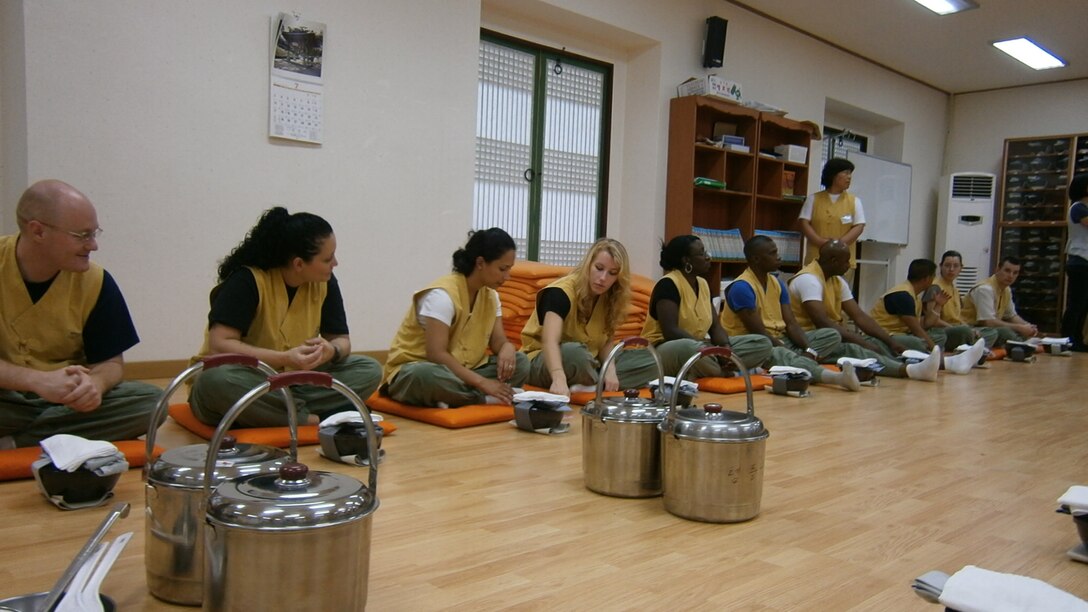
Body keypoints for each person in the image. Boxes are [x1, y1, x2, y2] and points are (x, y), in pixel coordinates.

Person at [0, 180, 160, 448]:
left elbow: (111, 363)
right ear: (37, 231)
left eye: (94, 233)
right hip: (7, 398)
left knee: (151, 402)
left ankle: (16, 442)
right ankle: (55, 436)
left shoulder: (96, 281)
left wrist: (95, 385)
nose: (93, 245)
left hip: (67, 402)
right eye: (82, 236)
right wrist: (38, 381)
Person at [189, 207, 382, 428]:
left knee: (369, 369)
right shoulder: (248, 280)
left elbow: (341, 339)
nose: (335, 263)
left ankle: (274, 412)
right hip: (246, 380)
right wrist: (285, 358)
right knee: (215, 382)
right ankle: (315, 419)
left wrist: (332, 350)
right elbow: (219, 345)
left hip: (290, 384)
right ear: (299, 264)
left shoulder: (325, 282)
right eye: (328, 258)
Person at [382, 228, 529, 407]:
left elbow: (498, 341)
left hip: (465, 371)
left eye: (509, 269)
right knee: (423, 376)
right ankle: (481, 398)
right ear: (480, 262)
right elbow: (436, 354)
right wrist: (483, 383)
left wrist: (507, 348)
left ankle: (453, 397)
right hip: (425, 369)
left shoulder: (491, 296)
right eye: (502, 269)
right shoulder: (441, 296)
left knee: (521, 363)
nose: (507, 276)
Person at [788, 240, 942, 382]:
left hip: (835, 333)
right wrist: (862, 342)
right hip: (814, 338)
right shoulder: (809, 280)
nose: (850, 264)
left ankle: (943, 363)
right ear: (833, 261)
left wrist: (890, 342)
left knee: (878, 342)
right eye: (846, 261)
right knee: (857, 349)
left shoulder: (837, 281)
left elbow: (859, 316)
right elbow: (822, 323)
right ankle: (909, 370)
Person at [720, 235, 859, 391]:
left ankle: (798, 360)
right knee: (778, 352)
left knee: (830, 335)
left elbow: (792, 324)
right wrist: (788, 350)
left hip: (781, 338)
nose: (778, 256)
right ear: (756, 259)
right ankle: (835, 377)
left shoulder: (777, 283)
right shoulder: (742, 287)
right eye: (772, 253)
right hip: (755, 343)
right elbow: (759, 333)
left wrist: (809, 350)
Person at [634, 235, 773, 382]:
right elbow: (670, 331)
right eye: (701, 254)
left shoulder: (703, 284)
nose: (708, 257)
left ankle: (705, 369)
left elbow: (715, 327)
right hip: (667, 348)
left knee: (761, 343)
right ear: (686, 260)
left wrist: (724, 349)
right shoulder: (668, 284)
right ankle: (724, 373)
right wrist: (708, 351)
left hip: (701, 347)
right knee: (689, 349)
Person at [520, 238, 638, 397]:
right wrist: (558, 377)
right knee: (576, 354)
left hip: (590, 361)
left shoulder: (610, 297)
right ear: (588, 265)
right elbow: (549, 341)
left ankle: (591, 382)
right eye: (599, 268)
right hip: (547, 360)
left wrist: (610, 369)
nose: (603, 278)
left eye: (612, 273)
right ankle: (592, 381)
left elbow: (606, 340)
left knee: (647, 359)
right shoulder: (559, 293)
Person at [868, 258, 985, 373]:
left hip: (904, 334)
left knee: (939, 335)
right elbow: (917, 330)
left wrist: (938, 305)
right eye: (933, 276)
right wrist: (935, 349)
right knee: (917, 342)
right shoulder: (902, 295)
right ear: (927, 279)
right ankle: (949, 360)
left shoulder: (914, 295)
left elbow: (927, 324)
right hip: (885, 336)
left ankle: (951, 356)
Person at [798, 158, 865, 276]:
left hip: (843, 261)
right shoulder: (813, 199)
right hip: (816, 259)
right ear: (833, 174)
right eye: (846, 173)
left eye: (850, 173)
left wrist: (838, 245)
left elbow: (859, 226)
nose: (849, 177)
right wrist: (821, 242)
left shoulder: (854, 201)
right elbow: (804, 223)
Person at [921, 250, 1000, 348]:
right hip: (942, 330)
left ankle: (973, 348)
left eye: (955, 266)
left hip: (957, 327)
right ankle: (973, 348)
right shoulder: (935, 287)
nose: (951, 269)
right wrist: (958, 328)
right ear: (941, 266)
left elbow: (958, 317)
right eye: (947, 265)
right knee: (964, 331)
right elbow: (932, 320)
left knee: (991, 332)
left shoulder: (955, 289)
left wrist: (969, 328)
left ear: (961, 268)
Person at [961, 255, 1038, 346]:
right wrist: (1019, 327)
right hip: (971, 327)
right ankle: (1022, 345)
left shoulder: (1006, 290)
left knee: (1014, 330)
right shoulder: (985, 289)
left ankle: (1021, 343)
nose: (1010, 276)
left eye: (1015, 273)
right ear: (997, 269)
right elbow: (988, 322)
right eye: (1007, 271)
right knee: (1003, 332)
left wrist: (1027, 326)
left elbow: (1011, 316)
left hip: (987, 328)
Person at [1061, 174, 1088, 351]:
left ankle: (1077, 339)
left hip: (1084, 261)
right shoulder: (1078, 208)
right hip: (1080, 262)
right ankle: (1068, 338)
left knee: (1084, 304)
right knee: (1077, 303)